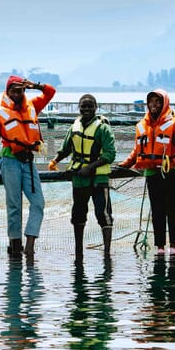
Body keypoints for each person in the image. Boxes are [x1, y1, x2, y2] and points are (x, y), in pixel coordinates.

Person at [0, 76, 57, 256]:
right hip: (10, 161)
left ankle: (30, 246)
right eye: (13, 90)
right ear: (7, 92)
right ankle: (15, 245)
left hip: (29, 161)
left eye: (20, 90)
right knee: (14, 205)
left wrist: (34, 85)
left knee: (38, 203)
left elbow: (50, 92)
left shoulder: (32, 105)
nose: (17, 94)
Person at [119, 89, 175, 255]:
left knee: (174, 210)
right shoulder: (142, 125)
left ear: (164, 103)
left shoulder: (173, 122)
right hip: (152, 173)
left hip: (172, 170)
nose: (154, 104)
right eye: (151, 101)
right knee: (157, 210)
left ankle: (173, 245)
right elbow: (137, 150)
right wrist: (125, 164)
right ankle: (159, 246)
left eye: (158, 101)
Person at [48, 94, 116, 255]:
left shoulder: (103, 128)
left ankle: (107, 252)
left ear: (95, 108)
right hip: (78, 177)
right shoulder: (74, 126)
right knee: (78, 214)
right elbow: (65, 148)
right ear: (79, 107)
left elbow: (110, 154)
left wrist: (91, 167)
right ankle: (78, 250)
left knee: (103, 213)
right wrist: (55, 161)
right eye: (83, 106)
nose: (86, 109)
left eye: (90, 106)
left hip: (99, 178)